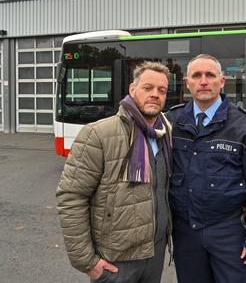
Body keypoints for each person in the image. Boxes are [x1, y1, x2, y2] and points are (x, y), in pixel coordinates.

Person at [167, 54, 246, 283]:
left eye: (210, 75)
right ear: (188, 83)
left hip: (228, 233)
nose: (204, 81)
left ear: (222, 81)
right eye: (197, 76)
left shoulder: (245, 127)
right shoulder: (172, 122)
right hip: (185, 234)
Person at [56, 61, 172, 283]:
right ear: (132, 89)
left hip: (154, 254)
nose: (155, 95)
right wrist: (88, 262)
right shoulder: (98, 134)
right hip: (116, 262)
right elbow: (71, 196)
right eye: (148, 88)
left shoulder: (166, 134)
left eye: (162, 90)